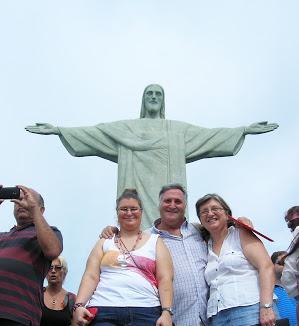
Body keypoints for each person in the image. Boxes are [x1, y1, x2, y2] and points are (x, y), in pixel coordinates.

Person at [25, 84, 278, 228]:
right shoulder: (126, 129)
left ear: (163, 101)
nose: (154, 97)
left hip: (169, 199)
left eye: (158, 94)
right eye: (149, 94)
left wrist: (243, 130)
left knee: (169, 222)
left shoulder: (176, 130)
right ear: (143, 101)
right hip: (134, 194)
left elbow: (209, 136)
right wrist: (59, 130)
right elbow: (95, 134)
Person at [101, 184, 213, 326]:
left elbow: (224, 227)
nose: (172, 205)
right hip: (156, 324)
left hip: (194, 324)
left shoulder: (200, 232)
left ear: (185, 205)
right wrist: (111, 231)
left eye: (178, 201)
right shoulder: (144, 238)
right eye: (167, 201)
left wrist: (241, 222)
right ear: (159, 204)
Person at [73, 188, 173, 326]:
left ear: (141, 211)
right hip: (104, 316)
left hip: (148, 316)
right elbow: (91, 276)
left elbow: (165, 279)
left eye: (133, 209)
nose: (129, 213)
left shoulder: (156, 242)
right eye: (123, 209)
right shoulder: (104, 242)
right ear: (117, 212)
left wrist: (166, 312)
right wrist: (79, 305)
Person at [195, 193, 295, 326]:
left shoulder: (240, 234)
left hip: (250, 312)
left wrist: (266, 306)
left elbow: (266, 266)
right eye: (203, 211)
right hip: (218, 319)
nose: (210, 213)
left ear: (227, 214)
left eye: (215, 208)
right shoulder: (203, 246)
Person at [0, 185, 63, 326]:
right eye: (17, 201)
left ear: (41, 210)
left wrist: (35, 212)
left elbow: (53, 250)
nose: (22, 204)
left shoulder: (48, 233)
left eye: (29, 201)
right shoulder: (2, 236)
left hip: (17, 320)